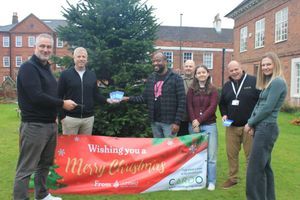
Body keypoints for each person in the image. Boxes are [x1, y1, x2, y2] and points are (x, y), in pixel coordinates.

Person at [14, 33, 77, 200]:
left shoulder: (46, 68)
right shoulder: (28, 68)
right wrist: (62, 104)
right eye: (42, 46)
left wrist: (56, 115)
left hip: (49, 124)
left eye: (49, 47)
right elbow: (36, 96)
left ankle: (41, 195)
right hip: (34, 126)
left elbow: (50, 94)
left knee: (44, 165)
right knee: (26, 168)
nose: (45, 49)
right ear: (35, 47)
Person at [244, 52, 287, 200]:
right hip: (262, 127)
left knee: (254, 170)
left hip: (267, 128)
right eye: (263, 65)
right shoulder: (269, 83)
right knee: (264, 168)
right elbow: (259, 104)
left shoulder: (278, 82)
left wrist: (250, 123)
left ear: (275, 64)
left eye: (268, 64)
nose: (265, 67)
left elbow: (268, 107)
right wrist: (252, 122)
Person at [122, 51, 186, 138]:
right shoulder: (151, 78)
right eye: (153, 61)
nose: (155, 63)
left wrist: (177, 122)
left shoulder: (176, 78)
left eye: (158, 61)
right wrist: (128, 98)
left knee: (169, 149)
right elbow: (144, 98)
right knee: (158, 148)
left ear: (165, 61)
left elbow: (182, 101)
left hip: (169, 123)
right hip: (155, 122)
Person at [219, 60, 260, 189]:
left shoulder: (253, 81)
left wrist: (254, 122)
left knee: (251, 155)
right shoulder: (226, 86)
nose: (234, 72)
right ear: (228, 72)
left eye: (236, 69)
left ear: (241, 68)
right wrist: (224, 114)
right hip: (231, 126)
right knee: (231, 154)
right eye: (231, 70)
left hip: (249, 127)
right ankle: (233, 178)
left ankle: (251, 181)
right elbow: (222, 103)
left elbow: (260, 102)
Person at [58, 47, 110, 135]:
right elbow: (58, 96)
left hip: (88, 119)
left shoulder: (92, 75)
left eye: (83, 57)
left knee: (84, 147)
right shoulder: (65, 75)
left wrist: (107, 100)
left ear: (87, 59)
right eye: (78, 56)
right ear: (74, 58)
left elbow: (96, 95)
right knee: (70, 147)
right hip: (70, 119)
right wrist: (62, 116)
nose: (81, 59)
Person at [187, 65, 218, 191]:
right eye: (199, 72)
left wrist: (198, 121)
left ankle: (211, 181)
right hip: (193, 126)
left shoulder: (213, 89)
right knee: (196, 154)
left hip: (210, 125)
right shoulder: (191, 89)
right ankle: (198, 179)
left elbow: (212, 107)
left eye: (203, 72)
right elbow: (189, 106)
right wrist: (194, 122)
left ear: (208, 73)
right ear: (195, 75)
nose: (201, 74)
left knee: (211, 156)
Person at [178, 59, 196, 136]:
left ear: (194, 68)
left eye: (190, 66)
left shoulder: (198, 80)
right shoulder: (178, 79)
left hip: (194, 117)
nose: (188, 68)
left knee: (193, 142)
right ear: (183, 67)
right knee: (181, 141)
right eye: (186, 66)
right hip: (181, 117)